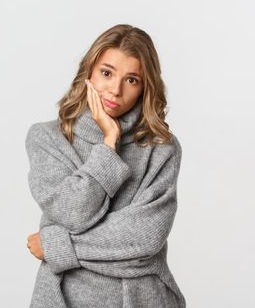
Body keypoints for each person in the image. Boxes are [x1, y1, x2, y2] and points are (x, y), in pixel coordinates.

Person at [25, 24, 185, 307]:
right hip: (65, 298)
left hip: (143, 299)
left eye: (132, 80)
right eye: (107, 73)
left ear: (144, 87)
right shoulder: (48, 139)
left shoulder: (161, 148)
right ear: (89, 72)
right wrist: (109, 142)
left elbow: (145, 239)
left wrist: (56, 246)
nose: (115, 89)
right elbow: (73, 212)